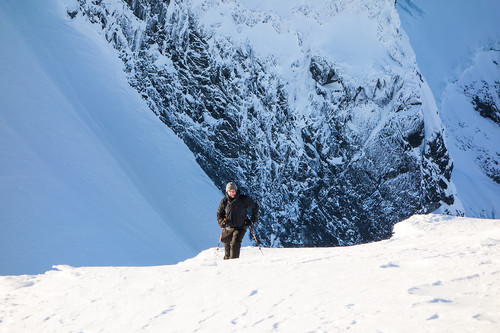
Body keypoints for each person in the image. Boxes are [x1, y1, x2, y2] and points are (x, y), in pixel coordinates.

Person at [217, 182, 259, 259]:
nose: (232, 193)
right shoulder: (224, 202)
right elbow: (219, 214)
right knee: (227, 249)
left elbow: (255, 207)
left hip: (240, 227)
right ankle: (226, 266)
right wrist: (221, 222)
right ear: (227, 192)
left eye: (234, 191)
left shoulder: (244, 199)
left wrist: (252, 220)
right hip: (228, 228)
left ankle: (234, 265)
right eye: (230, 191)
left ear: (236, 190)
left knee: (235, 243)